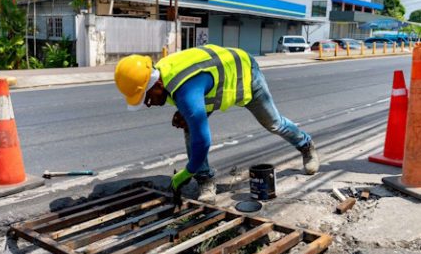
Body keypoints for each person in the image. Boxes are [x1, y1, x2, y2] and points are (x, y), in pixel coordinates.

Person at [114, 44, 319, 203]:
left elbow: (203, 141)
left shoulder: (185, 91)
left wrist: (187, 171)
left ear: (156, 83)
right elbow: (191, 91)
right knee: (189, 127)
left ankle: (306, 146)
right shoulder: (163, 74)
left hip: (245, 76)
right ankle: (206, 180)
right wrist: (186, 114)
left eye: (147, 98)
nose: (148, 105)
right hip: (215, 87)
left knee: (274, 123)